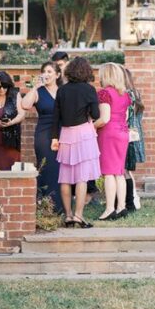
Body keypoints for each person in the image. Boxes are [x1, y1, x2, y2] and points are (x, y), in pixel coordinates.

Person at [50, 56, 101, 228]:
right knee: (81, 178)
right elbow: (96, 115)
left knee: (65, 177)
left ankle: (68, 215)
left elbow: (55, 117)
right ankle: (79, 215)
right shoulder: (89, 89)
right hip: (83, 134)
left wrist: (54, 138)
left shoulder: (62, 90)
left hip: (65, 134)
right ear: (86, 71)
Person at [21, 61, 61, 211]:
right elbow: (25, 105)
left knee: (61, 168)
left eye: (50, 71)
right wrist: (34, 88)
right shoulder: (39, 91)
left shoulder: (63, 91)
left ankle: (61, 206)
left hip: (62, 133)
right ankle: (45, 205)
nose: (46, 74)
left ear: (57, 75)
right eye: (44, 71)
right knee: (46, 166)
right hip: (44, 134)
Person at [95, 63, 132, 221]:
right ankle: (121, 206)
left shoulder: (104, 93)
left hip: (109, 133)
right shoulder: (125, 94)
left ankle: (110, 208)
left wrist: (91, 126)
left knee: (109, 173)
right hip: (123, 133)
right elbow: (126, 116)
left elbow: (104, 118)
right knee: (119, 172)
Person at [121, 64, 145, 213]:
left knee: (125, 169)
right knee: (127, 170)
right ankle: (132, 199)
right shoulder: (135, 93)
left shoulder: (127, 94)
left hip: (128, 135)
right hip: (135, 134)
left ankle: (131, 200)